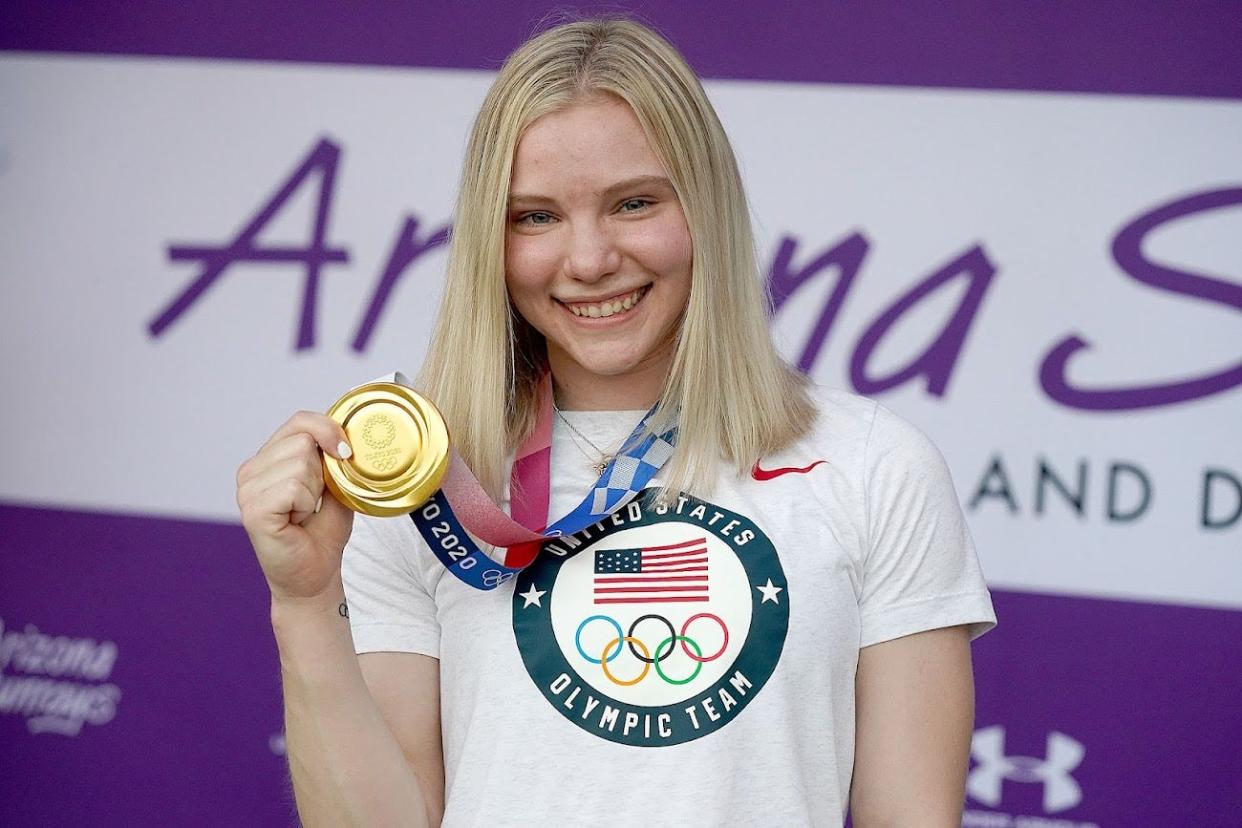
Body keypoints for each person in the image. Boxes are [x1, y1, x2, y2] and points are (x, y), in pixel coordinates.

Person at [236, 16, 996, 827]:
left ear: (706, 208)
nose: (589, 259)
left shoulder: (874, 465)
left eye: (633, 204)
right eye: (535, 217)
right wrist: (307, 606)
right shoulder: (424, 485)